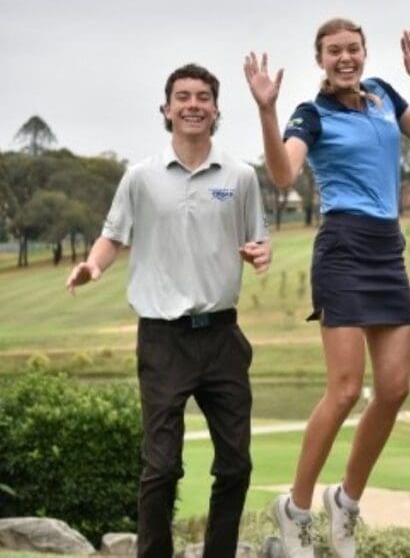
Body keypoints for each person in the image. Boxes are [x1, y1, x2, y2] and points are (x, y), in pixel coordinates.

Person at [244, 21, 410, 557]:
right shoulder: (311, 115)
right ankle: (296, 510)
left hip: (387, 248)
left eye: (352, 49)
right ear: (320, 58)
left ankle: (346, 502)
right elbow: (284, 174)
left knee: (395, 387)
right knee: (344, 390)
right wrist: (267, 112)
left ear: (364, 53)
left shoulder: (383, 95)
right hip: (343, 247)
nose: (345, 58)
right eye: (334, 51)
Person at [65, 63, 271, 558]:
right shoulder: (141, 177)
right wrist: (93, 266)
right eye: (183, 96)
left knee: (236, 466)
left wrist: (260, 253)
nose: (193, 104)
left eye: (203, 97)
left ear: (216, 109)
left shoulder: (240, 176)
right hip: (163, 339)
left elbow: (258, 239)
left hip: (222, 337)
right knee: (161, 467)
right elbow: (113, 235)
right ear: (166, 108)